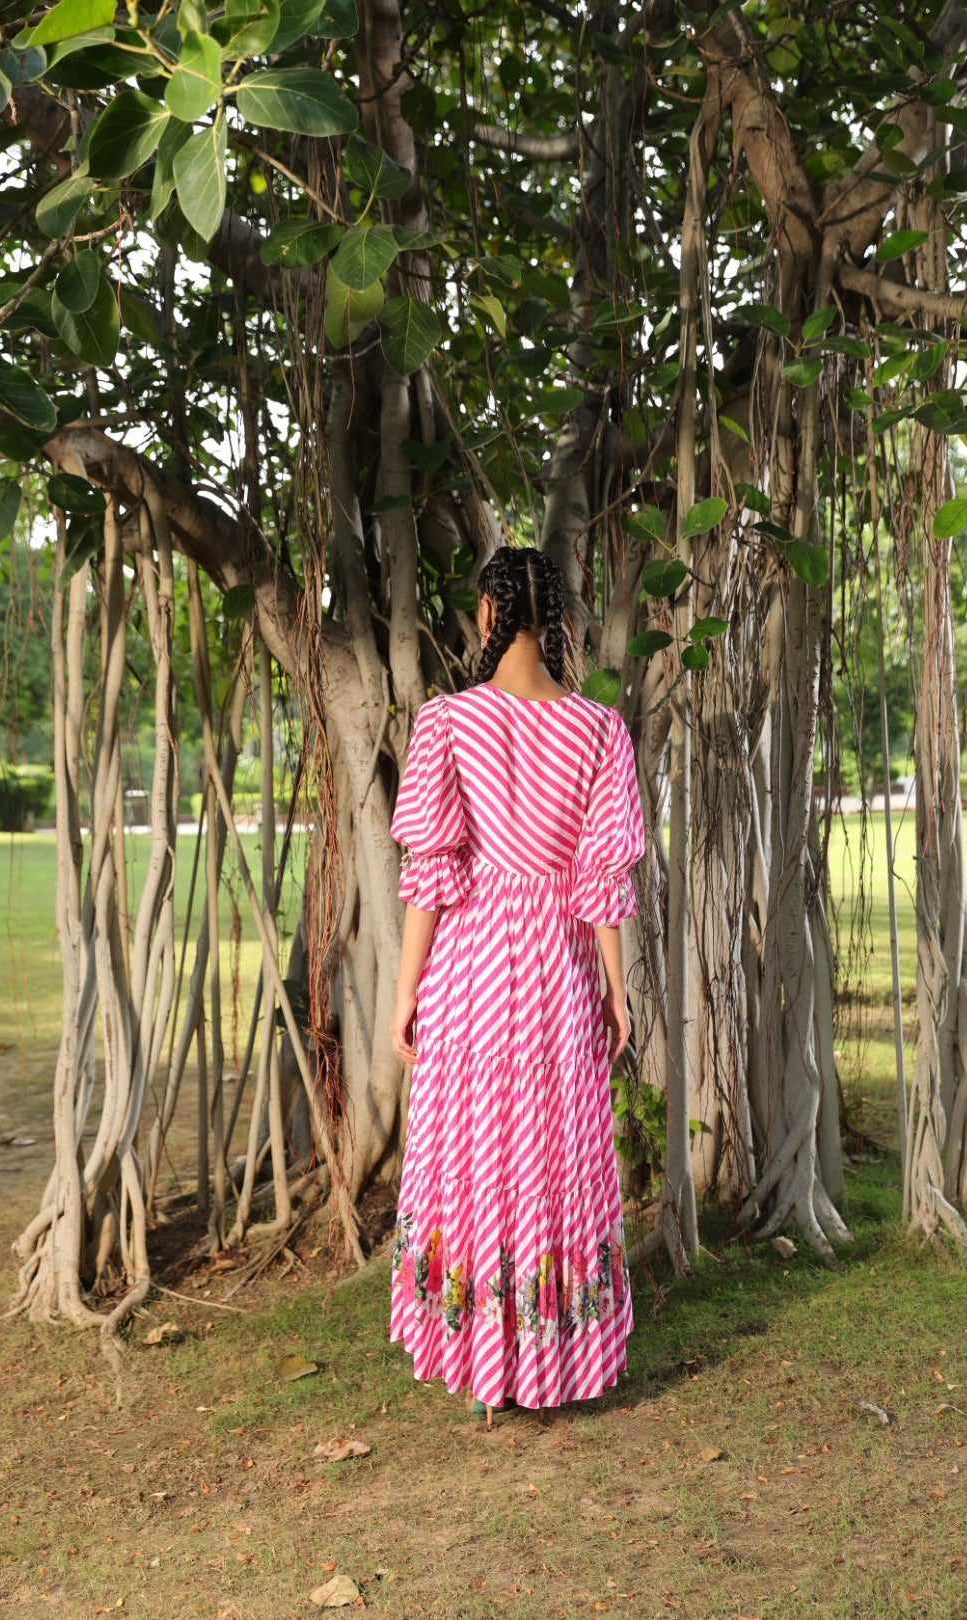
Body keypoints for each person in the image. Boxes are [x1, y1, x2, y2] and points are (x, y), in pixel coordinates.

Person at [387, 544, 646, 1425]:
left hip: (468, 971)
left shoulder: (447, 724)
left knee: (471, 1154)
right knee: (551, 1154)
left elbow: (433, 869)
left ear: (489, 616)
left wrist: (404, 995)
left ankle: (481, 1357)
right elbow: (602, 881)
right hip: (556, 970)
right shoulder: (600, 729)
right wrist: (616, 992)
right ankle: (551, 1358)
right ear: (558, 618)